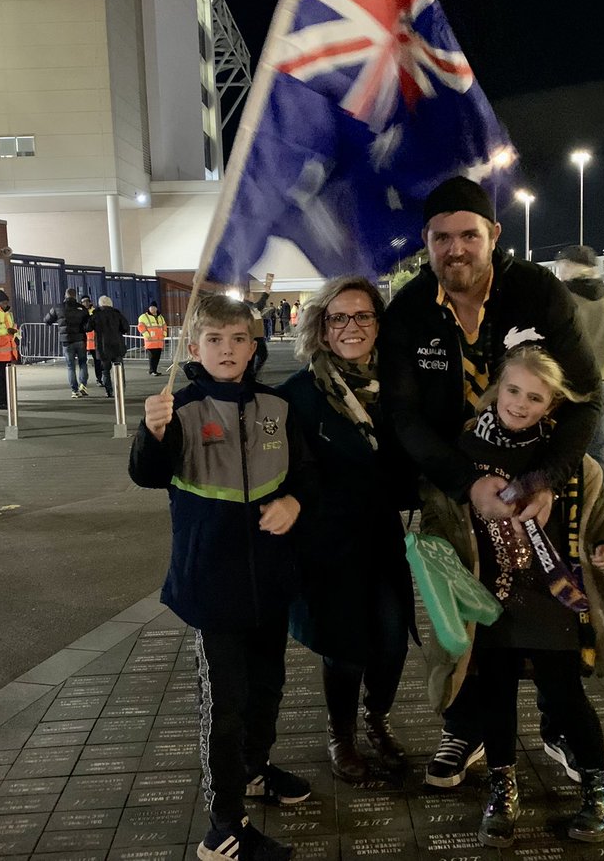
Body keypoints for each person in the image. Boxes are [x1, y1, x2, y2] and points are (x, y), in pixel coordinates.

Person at [378, 175, 601, 793]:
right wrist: (463, 482)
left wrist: (547, 476)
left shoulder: (538, 292)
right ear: (425, 242)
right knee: (461, 615)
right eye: (441, 237)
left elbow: (586, 399)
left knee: (552, 611)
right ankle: (464, 723)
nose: (456, 250)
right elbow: (403, 416)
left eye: (468, 236)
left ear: (493, 236)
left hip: (541, 488)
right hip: (452, 488)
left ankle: (559, 723)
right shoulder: (409, 309)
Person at [129, 294, 315, 861]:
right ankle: (224, 826)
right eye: (215, 340)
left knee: (268, 689)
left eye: (238, 339)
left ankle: (255, 771)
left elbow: (306, 473)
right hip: (211, 586)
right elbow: (146, 475)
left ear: (254, 347)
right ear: (194, 346)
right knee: (225, 704)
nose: (227, 349)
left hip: (271, 582)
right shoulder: (177, 407)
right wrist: (151, 432)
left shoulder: (277, 405)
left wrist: (296, 503)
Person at [449, 346, 604, 847]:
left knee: (565, 695)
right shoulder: (465, 450)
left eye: (535, 397)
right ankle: (502, 786)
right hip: (489, 600)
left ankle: (600, 787)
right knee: (495, 696)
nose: (519, 403)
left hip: (553, 598)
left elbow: (598, 508)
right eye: (512, 390)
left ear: (551, 405)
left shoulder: (564, 456)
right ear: (496, 389)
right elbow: (438, 509)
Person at [279, 276, 416, 784]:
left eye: (363, 316)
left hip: (381, 537)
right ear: (322, 327)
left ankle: (376, 718)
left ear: (379, 324)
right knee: (345, 644)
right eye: (339, 317)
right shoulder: (299, 394)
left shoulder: (399, 388)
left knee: (392, 639)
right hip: (326, 542)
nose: (352, 326)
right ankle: (342, 734)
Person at [556, 246, 604, 484]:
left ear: (570, 267)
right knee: (598, 453)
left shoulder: (563, 298)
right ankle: (601, 511)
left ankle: (570, 512)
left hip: (568, 383)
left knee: (564, 452)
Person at [44, 287, 91, 396]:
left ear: (65, 295)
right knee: (83, 363)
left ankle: (74, 391)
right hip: (80, 340)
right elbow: (88, 324)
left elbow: (47, 320)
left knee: (70, 366)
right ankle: (83, 384)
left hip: (67, 341)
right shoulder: (82, 308)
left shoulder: (58, 307)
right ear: (75, 296)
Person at [84, 295, 129, 397]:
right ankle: (121, 390)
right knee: (119, 369)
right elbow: (126, 327)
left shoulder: (96, 315)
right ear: (111, 304)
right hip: (117, 345)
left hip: (103, 346)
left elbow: (87, 327)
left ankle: (109, 391)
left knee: (105, 371)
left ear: (100, 304)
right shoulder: (117, 314)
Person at [137, 303, 167, 375]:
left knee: (157, 357)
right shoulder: (143, 317)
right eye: (151, 307)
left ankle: (154, 370)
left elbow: (164, 326)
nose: (152, 309)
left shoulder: (160, 317)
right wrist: (147, 335)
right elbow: (141, 327)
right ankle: (152, 370)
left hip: (159, 341)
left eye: (154, 307)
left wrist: (164, 333)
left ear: (156, 308)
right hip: (150, 341)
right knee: (152, 357)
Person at [80, 296, 103, 385]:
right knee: (82, 362)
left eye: (86, 301)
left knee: (97, 361)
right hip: (83, 341)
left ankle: (99, 379)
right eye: (83, 302)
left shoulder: (95, 312)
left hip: (94, 342)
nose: (85, 303)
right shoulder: (80, 312)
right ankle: (83, 382)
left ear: (90, 302)